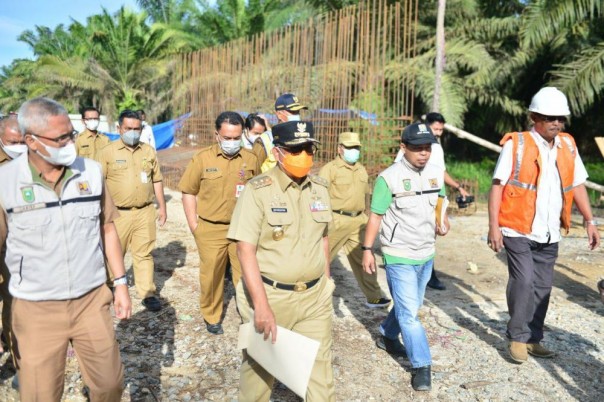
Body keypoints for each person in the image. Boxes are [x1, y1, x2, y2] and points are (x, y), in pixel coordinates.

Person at [0, 97, 131, 401]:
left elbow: (107, 228)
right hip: (36, 308)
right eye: (61, 138)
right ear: (31, 141)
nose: (70, 142)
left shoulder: (92, 172)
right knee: (40, 395)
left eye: (71, 134)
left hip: (91, 300)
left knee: (110, 385)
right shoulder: (5, 182)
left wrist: (121, 284)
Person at [487, 87, 600, 363]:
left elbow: (577, 184)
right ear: (534, 117)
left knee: (543, 287)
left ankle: (533, 338)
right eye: (550, 118)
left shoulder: (568, 145)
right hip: (517, 228)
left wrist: (589, 220)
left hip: (549, 231)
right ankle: (516, 337)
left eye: (560, 118)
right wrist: (493, 227)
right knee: (524, 282)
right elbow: (497, 186)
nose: (556, 124)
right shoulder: (518, 144)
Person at [228, 120, 335, 401]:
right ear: (277, 153)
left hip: (314, 298)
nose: (304, 156)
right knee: (259, 379)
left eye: (309, 148)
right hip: (270, 296)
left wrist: (326, 281)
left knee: (320, 378)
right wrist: (261, 306)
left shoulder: (320, 188)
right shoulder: (258, 190)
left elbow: (323, 238)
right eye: (296, 149)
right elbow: (245, 249)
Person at [363, 122, 449, 391]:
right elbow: (375, 216)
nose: (423, 154)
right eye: (417, 149)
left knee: (408, 305)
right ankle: (422, 365)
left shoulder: (436, 173)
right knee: (411, 314)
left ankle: (388, 334)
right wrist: (367, 250)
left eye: (427, 148)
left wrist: (443, 221)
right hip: (398, 253)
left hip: (426, 253)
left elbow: (441, 203)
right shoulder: (388, 178)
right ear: (404, 148)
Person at [179, 111, 260, 335]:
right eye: (227, 138)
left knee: (245, 273)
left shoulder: (251, 160)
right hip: (211, 228)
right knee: (212, 275)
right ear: (217, 135)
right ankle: (212, 316)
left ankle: (248, 315)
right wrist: (194, 225)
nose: (232, 142)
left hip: (242, 229)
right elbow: (188, 191)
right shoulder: (202, 159)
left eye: (236, 138)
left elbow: (258, 194)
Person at [97, 110, 167, 312]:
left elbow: (157, 179)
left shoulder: (148, 151)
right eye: (128, 128)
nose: (133, 132)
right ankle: (112, 286)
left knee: (144, 253)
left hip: (145, 211)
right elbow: (98, 183)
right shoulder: (107, 152)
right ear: (119, 128)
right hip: (116, 213)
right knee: (114, 252)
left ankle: (147, 293)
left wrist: (162, 206)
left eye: (137, 128)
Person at [395, 112, 470, 291]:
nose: (438, 132)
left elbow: (439, 173)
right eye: (435, 129)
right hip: (413, 197)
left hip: (430, 196)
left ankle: (427, 274)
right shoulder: (412, 148)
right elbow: (398, 169)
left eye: (441, 130)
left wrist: (455, 190)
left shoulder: (436, 148)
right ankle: (418, 274)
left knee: (429, 236)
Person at [319, 131, 391, 308]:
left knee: (365, 259)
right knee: (321, 259)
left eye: (356, 148)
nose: (354, 151)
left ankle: (373, 296)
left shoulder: (361, 169)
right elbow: (319, 197)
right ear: (340, 149)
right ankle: (314, 296)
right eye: (350, 147)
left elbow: (366, 195)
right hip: (336, 220)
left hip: (358, 221)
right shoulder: (329, 169)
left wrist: (366, 215)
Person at [0, 115, 27, 361]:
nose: (18, 146)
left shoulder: (34, 161)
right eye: (12, 141)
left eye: (22, 141)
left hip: (23, 243)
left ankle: (14, 349)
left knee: (16, 299)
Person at [252, 93, 308, 172]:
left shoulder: (302, 137)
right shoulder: (265, 140)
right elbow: (253, 169)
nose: (296, 115)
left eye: (297, 112)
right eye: (292, 112)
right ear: (279, 114)